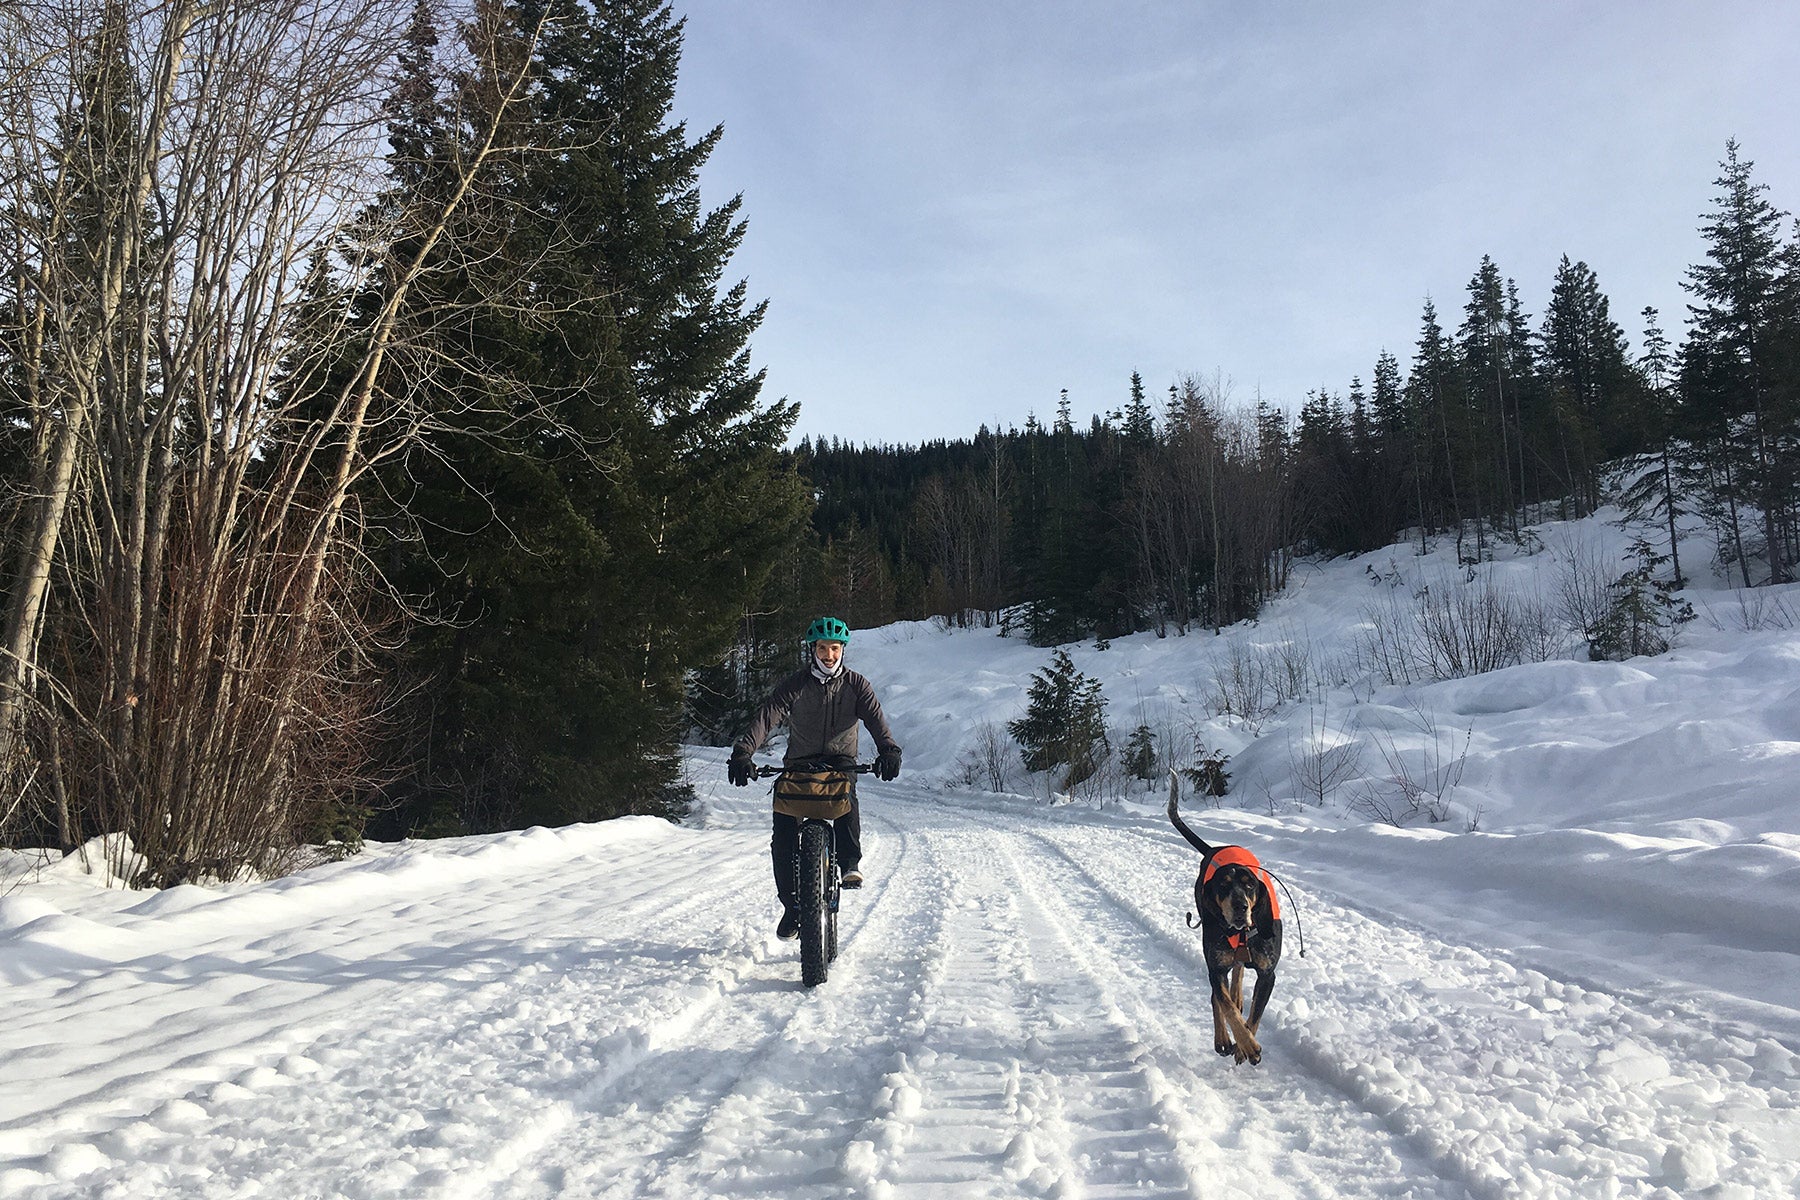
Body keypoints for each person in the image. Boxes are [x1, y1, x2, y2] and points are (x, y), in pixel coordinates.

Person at [728, 616, 902, 940]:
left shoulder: (856, 685)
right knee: (782, 834)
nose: (828, 655)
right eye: (823, 648)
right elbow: (767, 717)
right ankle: (791, 907)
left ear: (842, 650)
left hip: (840, 762)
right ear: (813, 649)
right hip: (800, 763)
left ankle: (850, 863)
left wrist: (889, 750)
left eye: (834, 648)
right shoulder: (795, 685)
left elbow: (877, 721)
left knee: (846, 795)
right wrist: (743, 752)